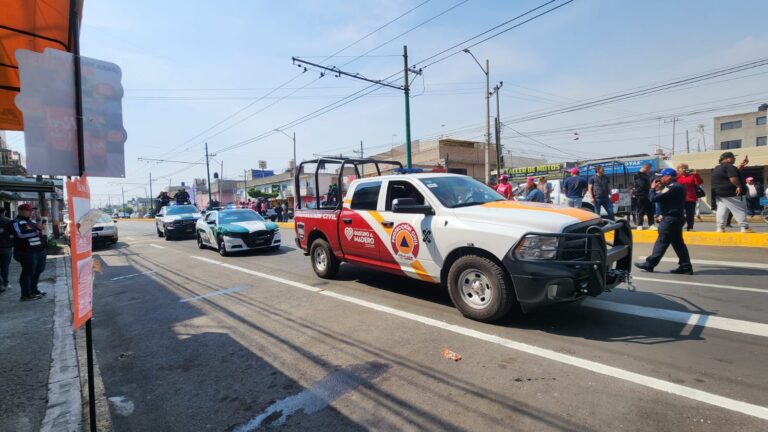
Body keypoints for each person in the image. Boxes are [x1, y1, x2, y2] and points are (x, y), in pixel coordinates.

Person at [634, 168, 693, 275]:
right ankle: (685, 266)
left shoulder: (672, 187)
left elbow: (653, 199)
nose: (660, 178)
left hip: (670, 220)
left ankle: (649, 264)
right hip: (675, 218)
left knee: (662, 241)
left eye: (662, 176)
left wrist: (652, 189)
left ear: (669, 176)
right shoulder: (676, 187)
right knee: (678, 244)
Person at [12, 204, 48, 301]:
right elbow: (20, 235)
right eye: (28, 210)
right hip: (26, 252)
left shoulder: (31, 221)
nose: (31, 212)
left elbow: (39, 234)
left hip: (39, 251)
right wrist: (37, 230)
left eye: (31, 210)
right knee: (28, 272)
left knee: (38, 271)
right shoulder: (16, 223)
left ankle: (34, 290)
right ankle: (26, 294)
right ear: (20, 211)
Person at [711, 151, 752, 233]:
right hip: (732, 193)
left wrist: (740, 166)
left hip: (721, 194)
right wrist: (738, 186)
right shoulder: (730, 167)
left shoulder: (717, 168)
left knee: (722, 211)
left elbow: (729, 174)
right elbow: (732, 178)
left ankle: (720, 227)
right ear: (727, 159)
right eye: (733, 157)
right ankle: (744, 227)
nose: (734, 159)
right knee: (740, 209)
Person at [675, 163, 703, 231]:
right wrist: (677, 175)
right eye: (682, 168)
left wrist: (696, 174)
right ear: (678, 169)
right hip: (679, 198)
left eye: (685, 168)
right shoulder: (677, 177)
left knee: (690, 214)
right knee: (678, 213)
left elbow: (700, 182)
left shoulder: (692, 176)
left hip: (690, 198)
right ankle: (678, 226)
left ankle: (690, 227)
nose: (684, 169)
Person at [633, 163, 654, 230]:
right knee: (640, 210)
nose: (649, 170)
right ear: (646, 167)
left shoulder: (648, 175)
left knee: (650, 210)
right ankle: (639, 224)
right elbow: (642, 184)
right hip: (641, 195)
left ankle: (651, 224)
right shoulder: (637, 175)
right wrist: (651, 186)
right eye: (649, 169)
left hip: (649, 194)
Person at [0, 210, 14, 293]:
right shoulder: (9, 221)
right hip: (6, 247)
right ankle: (5, 283)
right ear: (4, 212)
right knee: (5, 266)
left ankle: (1, 284)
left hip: (6, 247)